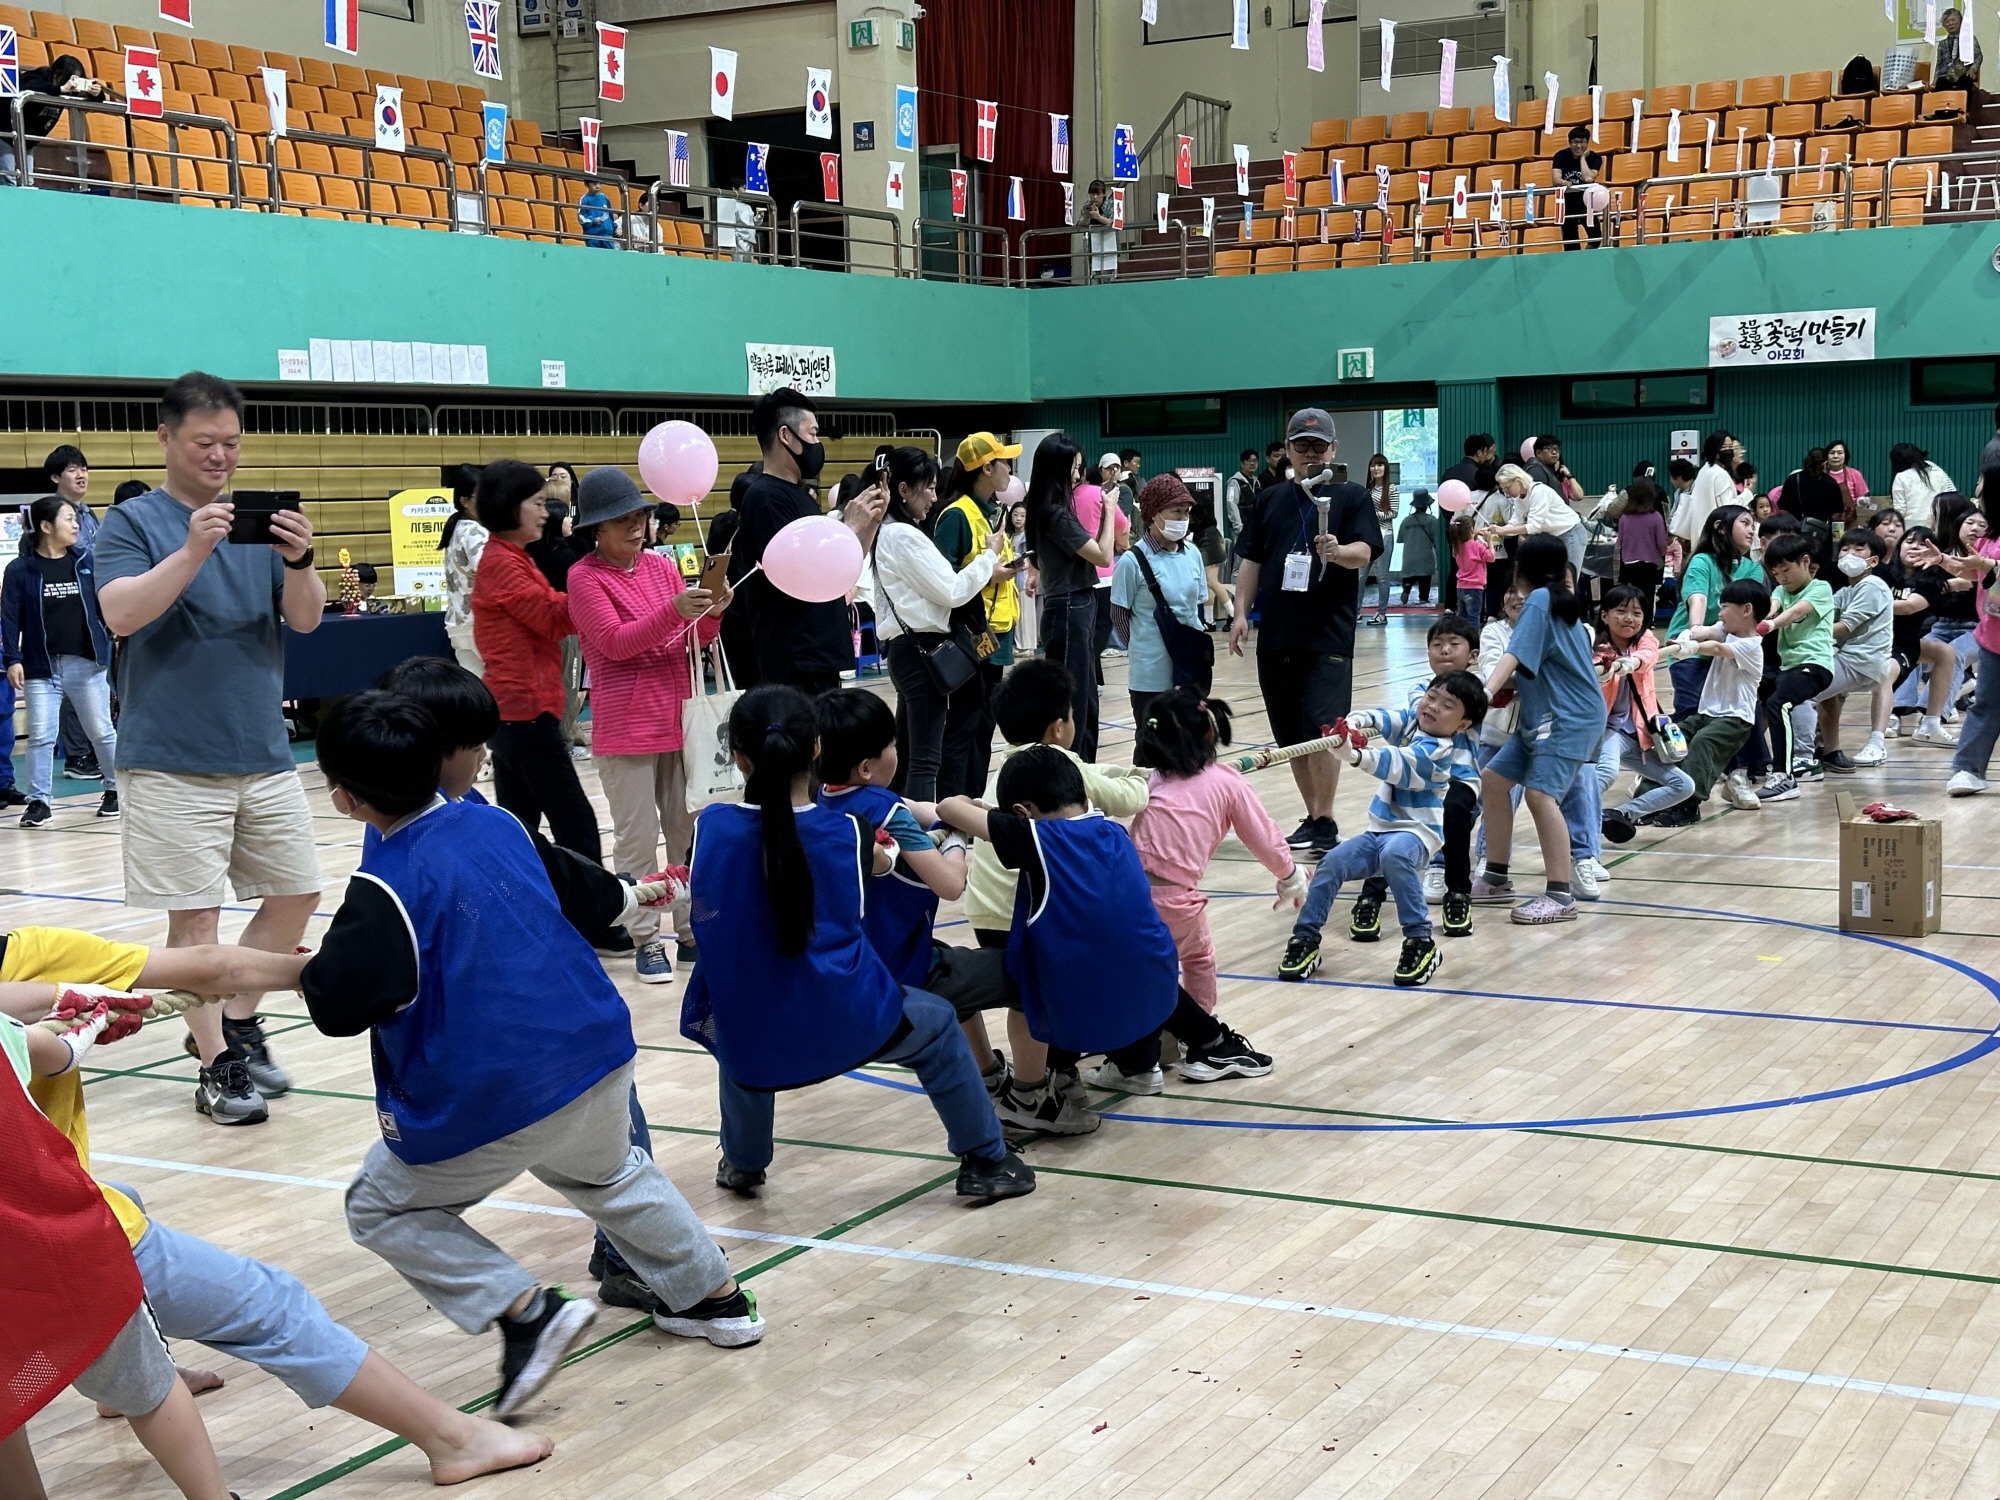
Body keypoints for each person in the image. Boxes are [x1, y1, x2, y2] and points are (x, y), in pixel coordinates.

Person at [305, 692, 761, 1416]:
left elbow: (338, 1007)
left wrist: (308, 968)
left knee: (379, 1206)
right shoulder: (499, 822)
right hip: (599, 1050)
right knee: (611, 1172)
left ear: (341, 797)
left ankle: (525, 1311)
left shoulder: (382, 885)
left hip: (502, 1088)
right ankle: (717, 1300)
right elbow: (572, 890)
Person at [6, 938, 557, 1488]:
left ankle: (112, 1379)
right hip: (52, 1232)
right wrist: (333, 969)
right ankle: (454, 1441)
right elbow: (208, 970)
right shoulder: (27, 957)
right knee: (269, 1305)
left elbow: (203, 973)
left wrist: (65, 1011)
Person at [683, 685, 1035, 1199]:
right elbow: (905, 870)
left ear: (737, 757)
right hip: (844, 1017)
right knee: (936, 1024)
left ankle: (743, 1163)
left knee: (741, 1032)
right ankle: (987, 1160)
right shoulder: (848, 832)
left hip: (750, 1021)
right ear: (817, 750)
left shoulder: (710, 827)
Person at [92, 372, 324, 1127]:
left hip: (261, 748)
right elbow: (122, 615)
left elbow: (308, 620)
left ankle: (238, 1022)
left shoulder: (259, 527)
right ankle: (216, 1063)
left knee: (297, 893)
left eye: (231, 442)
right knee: (195, 926)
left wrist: (300, 562)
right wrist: (193, 550)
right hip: (168, 755)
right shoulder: (133, 521)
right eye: (205, 443)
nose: (221, 457)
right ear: (166, 439)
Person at [936, 746, 1272, 1094]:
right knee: (1105, 951)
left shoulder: (1040, 836)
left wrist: (973, 804)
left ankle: (1041, 1084)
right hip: (1157, 997)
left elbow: (947, 808)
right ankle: (1144, 1063)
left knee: (1023, 975)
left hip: (1086, 1013)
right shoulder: (1116, 833)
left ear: (1023, 812)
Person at [566, 466, 731, 983]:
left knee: (685, 831)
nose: (636, 527)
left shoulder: (661, 568)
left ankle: (688, 931)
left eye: (639, 516)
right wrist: (674, 613)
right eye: (622, 520)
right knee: (637, 840)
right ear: (596, 529)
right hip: (625, 728)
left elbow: (689, 640)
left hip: (679, 719)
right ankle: (643, 937)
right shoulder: (583, 578)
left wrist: (713, 613)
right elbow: (614, 643)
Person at [962, 658, 1152, 1104]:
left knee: (1021, 998)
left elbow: (1092, 772)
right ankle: (1038, 1087)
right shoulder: (1059, 764)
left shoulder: (1003, 772)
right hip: (1032, 912)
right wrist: (1143, 777)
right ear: (1057, 727)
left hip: (985, 909)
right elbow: (1127, 798)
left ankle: (1041, 1075)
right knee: (1041, 999)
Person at [1230, 408, 1382, 856]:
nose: (1310, 453)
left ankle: (1327, 817)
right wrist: (1240, 613)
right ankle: (1314, 816)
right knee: (1292, 736)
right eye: (1302, 445)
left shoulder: (1352, 497)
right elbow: (1251, 562)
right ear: (1288, 449)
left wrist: (1337, 552)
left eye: (1319, 446)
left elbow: (1366, 551)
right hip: (1277, 634)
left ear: (1333, 449)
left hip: (1327, 634)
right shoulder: (1270, 499)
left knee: (1322, 727)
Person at [1279, 671, 1487, 987]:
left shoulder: (1438, 752)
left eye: (1447, 706)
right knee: (1332, 863)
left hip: (1419, 833)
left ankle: (1420, 941)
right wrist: (1352, 723)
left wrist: (1355, 755)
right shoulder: (1413, 720)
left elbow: (1396, 763)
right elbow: (1384, 717)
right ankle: (1305, 939)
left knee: (1396, 854)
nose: (1432, 707)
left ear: (1462, 725)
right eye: (1431, 697)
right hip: (1379, 830)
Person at [1130, 688, 1303, 1015]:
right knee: (1197, 959)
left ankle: (1136, 1046)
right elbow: (1262, 836)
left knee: (1142, 968)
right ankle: (1203, 1040)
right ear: (1210, 730)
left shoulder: (1153, 778)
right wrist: (1290, 875)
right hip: (1174, 900)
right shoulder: (1227, 781)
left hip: (1126, 893)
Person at [467, 460, 603, 868]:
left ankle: (523, 906)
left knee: (518, 824)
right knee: (574, 822)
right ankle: (596, 921)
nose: (546, 513)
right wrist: (600, 583)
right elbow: (553, 617)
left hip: (516, 710)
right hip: (523, 709)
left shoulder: (514, 557)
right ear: (511, 506)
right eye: (538, 503)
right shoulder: (504, 563)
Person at [1473, 534, 1600, 924]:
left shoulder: (1541, 600)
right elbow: (1533, 668)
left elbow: (1513, 655)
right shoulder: (1563, 609)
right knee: (1494, 780)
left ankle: (1560, 896)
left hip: (1567, 718)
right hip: (1544, 716)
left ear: (1519, 571)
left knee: (1540, 795)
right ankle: (1495, 876)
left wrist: (1484, 691)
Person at [871, 445, 1007, 802]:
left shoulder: (890, 533)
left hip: (907, 649)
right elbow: (952, 590)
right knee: (925, 760)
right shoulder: (902, 535)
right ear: (903, 490)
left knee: (910, 754)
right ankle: (919, 846)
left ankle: (899, 832)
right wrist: (988, 555)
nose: (934, 496)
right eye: (928, 487)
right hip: (920, 652)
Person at [729, 387, 882, 693]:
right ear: (786, 436)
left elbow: (839, 570)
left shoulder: (802, 497)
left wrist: (870, 524)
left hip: (820, 650)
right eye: (812, 434)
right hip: (794, 655)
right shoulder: (764, 498)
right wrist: (849, 526)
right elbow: (801, 573)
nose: (817, 443)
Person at [1352, 615, 1484, 935]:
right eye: (1436, 645)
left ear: (1474, 655)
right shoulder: (1419, 691)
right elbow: (1411, 714)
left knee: (1452, 811)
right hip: (1419, 776)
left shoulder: (1481, 693)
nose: (1444, 650)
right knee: (1395, 825)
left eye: (1454, 644)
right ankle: (1370, 896)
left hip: (1459, 778)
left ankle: (1457, 894)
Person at [3, 496, 118, 827]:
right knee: (40, 735)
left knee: (101, 731)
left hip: (86, 664)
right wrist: (13, 657)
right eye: (68, 519)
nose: (75, 524)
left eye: (74, 519)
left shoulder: (85, 561)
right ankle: (39, 802)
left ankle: (113, 790)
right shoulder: (20, 570)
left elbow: (104, 605)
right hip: (41, 667)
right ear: (45, 527)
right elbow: (9, 617)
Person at [931, 433, 1025, 797]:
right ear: (987, 468)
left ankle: (970, 801)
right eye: (1005, 462)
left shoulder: (989, 514)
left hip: (996, 632)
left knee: (984, 723)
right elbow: (944, 580)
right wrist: (991, 572)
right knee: (964, 723)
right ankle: (953, 803)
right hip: (970, 634)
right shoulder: (956, 515)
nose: (1009, 470)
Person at [1643, 579, 1773, 825]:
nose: (1720, 612)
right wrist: (1688, 635)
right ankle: (1650, 800)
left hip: (1735, 719)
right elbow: (1706, 633)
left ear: (1746, 610)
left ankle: (1688, 805)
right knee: (1672, 738)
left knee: (1702, 744)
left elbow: (1715, 647)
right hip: (1707, 714)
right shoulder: (1727, 630)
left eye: (1724, 607)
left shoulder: (1752, 645)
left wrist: (1692, 647)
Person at [1025, 432, 1118, 761]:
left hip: (1077, 604)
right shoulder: (1054, 514)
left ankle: (1083, 775)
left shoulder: (1050, 510)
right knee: (1071, 703)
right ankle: (1070, 775)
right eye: (1074, 468)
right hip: (1068, 608)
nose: (1078, 476)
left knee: (1086, 699)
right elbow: (1104, 556)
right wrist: (1108, 510)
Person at [1591, 587, 1693, 842]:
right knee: (1605, 773)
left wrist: (1632, 662)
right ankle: (1576, 817)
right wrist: (1605, 669)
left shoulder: (1645, 639)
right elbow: (1597, 665)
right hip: (1608, 731)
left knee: (1684, 786)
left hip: (1640, 733)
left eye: (1637, 613)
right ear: (1604, 615)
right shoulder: (1597, 646)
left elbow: (1648, 655)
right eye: (1621, 611)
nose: (1629, 618)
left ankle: (1618, 814)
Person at [1110, 474, 1210, 724]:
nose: (1183, 519)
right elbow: (1119, 613)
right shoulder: (1132, 562)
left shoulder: (1193, 554)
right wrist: (1141, 645)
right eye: (1176, 511)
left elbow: (1196, 606)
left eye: (1186, 512)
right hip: (1150, 676)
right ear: (1154, 513)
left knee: (1190, 747)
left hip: (1189, 671)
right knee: (1153, 749)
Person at [1755, 532, 1836, 801]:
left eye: (1787, 570)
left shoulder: (1820, 588)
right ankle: (1748, 762)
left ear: (1804, 562)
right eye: (1776, 573)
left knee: (1780, 704)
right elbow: (1773, 606)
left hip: (1815, 665)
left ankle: (1784, 776)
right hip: (1787, 667)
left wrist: (1772, 625)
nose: (1782, 578)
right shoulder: (1780, 590)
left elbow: (1795, 612)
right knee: (1755, 700)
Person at [1809, 528, 1897, 773]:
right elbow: (1822, 611)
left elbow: (1844, 627)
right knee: (1827, 696)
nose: (1850, 553)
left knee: (1802, 693)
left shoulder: (1872, 585)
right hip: (1849, 658)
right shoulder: (1846, 591)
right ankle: (1829, 751)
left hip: (1861, 662)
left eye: (1859, 549)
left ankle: (1801, 756)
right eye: (1846, 548)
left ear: (1873, 561)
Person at [1664, 503, 1760, 722]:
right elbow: (1697, 598)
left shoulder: (1752, 569)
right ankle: (1684, 755)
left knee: (1729, 714)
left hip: (1728, 648)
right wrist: (1695, 630)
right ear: (1721, 527)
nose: (1751, 530)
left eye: (1753, 525)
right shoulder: (1702, 561)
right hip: (1690, 649)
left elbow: (1749, 612)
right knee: (1691, 711)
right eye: (1745, 523)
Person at [1882, 526, 1956, 747]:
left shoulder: (1930, 582)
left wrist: (1873, 604)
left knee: (1945, 652)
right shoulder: (1882, 573)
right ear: (1899, 546)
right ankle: (1884, 724)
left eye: (1923, 544)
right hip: (1874, 642)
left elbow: (1909, 607)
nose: (1915, 547)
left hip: (1904, 644)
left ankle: (1931, 724)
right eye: (1910, 541)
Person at [1490, 461, 1585, 581]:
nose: (1506, 492)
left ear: (1518, 481)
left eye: (1507, 487)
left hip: (1570, 532)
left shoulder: (1539, 492)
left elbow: (1534, 526)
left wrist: (1503, 530)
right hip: (1553, 538)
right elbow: (1515, 522)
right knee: (1553, 579)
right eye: (1503, 489)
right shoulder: (1519, 498)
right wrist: (1496, 530)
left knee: (1568, 579)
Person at [439, 462, 486, 674]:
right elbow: (491, 573)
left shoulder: (456, 529)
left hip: (458, 624)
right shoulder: (475, 532)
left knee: (476, 694)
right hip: (478, 624)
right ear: (464, 501)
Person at [1777, 446, 1846, 566]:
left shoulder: (1793, 480)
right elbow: (1837, 516)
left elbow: (1783, 509)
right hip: (1824, 537)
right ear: (1825, 463)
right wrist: (1837, 541)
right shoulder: (1831, 483)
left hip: (1796, 533)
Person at [1673, 431, 1742, 550]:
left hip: (1700, 538)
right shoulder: (1720, 474)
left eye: (1730, 447)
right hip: (1716, 541)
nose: (1728, 450)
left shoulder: (1704, 471)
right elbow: (1729, 509)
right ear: (1714, 450)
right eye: (1724, 447)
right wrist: (1747, 494)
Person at [1616, 477, 1671, 625]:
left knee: (1631, 596)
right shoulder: (1655, 517)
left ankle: (1631, 621)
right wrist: (1663, 552)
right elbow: (1661, 543)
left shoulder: (1624, 518)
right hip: (1648, 563)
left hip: (1628, 563)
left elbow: (1620, 541)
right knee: (1647, 595)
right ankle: (1646, 623)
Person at [1553, 126, 1605, 249]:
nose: (1578, 146)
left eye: (1582, 142)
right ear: (1570, 143)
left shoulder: (1594, 158)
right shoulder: (1561, 156)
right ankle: (1574, 264)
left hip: (1587, 204)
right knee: (1571, 242)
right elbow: (1555, 179)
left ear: (1587, 143)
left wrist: (1582, 159)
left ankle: (1584, 259)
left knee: (1596, 237)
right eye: (1575, 142)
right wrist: (1563, 182)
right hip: (1567, 204)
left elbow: (1588, 178)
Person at [1360, 453, 1397, 625]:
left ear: (1385, 468)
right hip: (1367, 535)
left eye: (1380, 465)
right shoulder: (1367, 489)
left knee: (1382, 577)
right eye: (1373, 465)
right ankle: (1356, 611)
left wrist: (1374, 515)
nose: (1376, 468)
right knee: (1360, 575)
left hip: (1385, 534)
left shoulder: (1391, 489)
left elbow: (1393, 513)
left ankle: (1381, 614)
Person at [1889, 442, 1953, 532]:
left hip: (1911, 528)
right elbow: (1947, 501)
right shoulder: (1938, 473)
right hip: (1938, 525)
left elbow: (1900, 510)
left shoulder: (1901, 477)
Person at [1451, 507, 1494, 624]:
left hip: (1460, 586)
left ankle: (1463, 638)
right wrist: (1489, 541)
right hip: (1475, 588)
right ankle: (1473, 640)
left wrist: (1475, 536)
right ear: (1471, 529)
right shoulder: (1477, 546)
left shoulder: (1457, 546)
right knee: (1474, 617)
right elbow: (1491, 557)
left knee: (1463, 617)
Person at [1397, 490, 1438, 606]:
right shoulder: (1432, 520)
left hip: (1409, 555)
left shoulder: (1406, 521)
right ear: (1428, 505)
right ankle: (1423, 598)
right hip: (1425, 555)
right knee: (1425, 578)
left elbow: (1400, 539)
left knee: (1409, 575)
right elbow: (1437, 539)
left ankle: (1407, 586)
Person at [1937, 6, 1983, 87]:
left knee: (1966, 80)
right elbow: (1939, 64)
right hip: (1946, 75)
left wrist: (1973, 69)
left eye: (1953, 20)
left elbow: (1978, 56)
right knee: (1940, 83)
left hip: (1964, 73)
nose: (1950, 23)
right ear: (1944, 25)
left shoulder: (1969, 39)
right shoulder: (1942, 44)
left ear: (1961, 22)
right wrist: (1935, 80)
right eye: (1947, 22)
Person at [1824, 440, 1869, 521]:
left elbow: (1860, 496)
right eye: (1832, 453)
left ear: (1845, 456)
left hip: (1849, 522)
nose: (1835, 456)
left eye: (1840, 453)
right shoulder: (1821, 475)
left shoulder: (1855, 474)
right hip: (1825, 522)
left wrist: (1862, 501)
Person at [1084, 180, 1118, 278]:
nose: (1095, 197)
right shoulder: (1087, 205)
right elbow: (1080, 223)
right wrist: (1087, 216)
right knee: (1096, 277)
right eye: (1092, 194)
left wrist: (1098, 217)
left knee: (1107, 277)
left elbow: (1114, 222)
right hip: (1093, 245)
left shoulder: (1111, 204)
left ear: (1103, 194)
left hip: (1109, 243)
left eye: (1098, 194)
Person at [578, 178, 616, 248]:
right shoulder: (584, 199)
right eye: (594, 184)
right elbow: (581, 217)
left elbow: (610, 215)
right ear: (586, 184)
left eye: (600, 183)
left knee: (611, 257)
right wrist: (593, 221)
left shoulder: (605, 198)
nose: (598, 186)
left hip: (607, 235)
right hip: (592, 236)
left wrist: (614, 228)